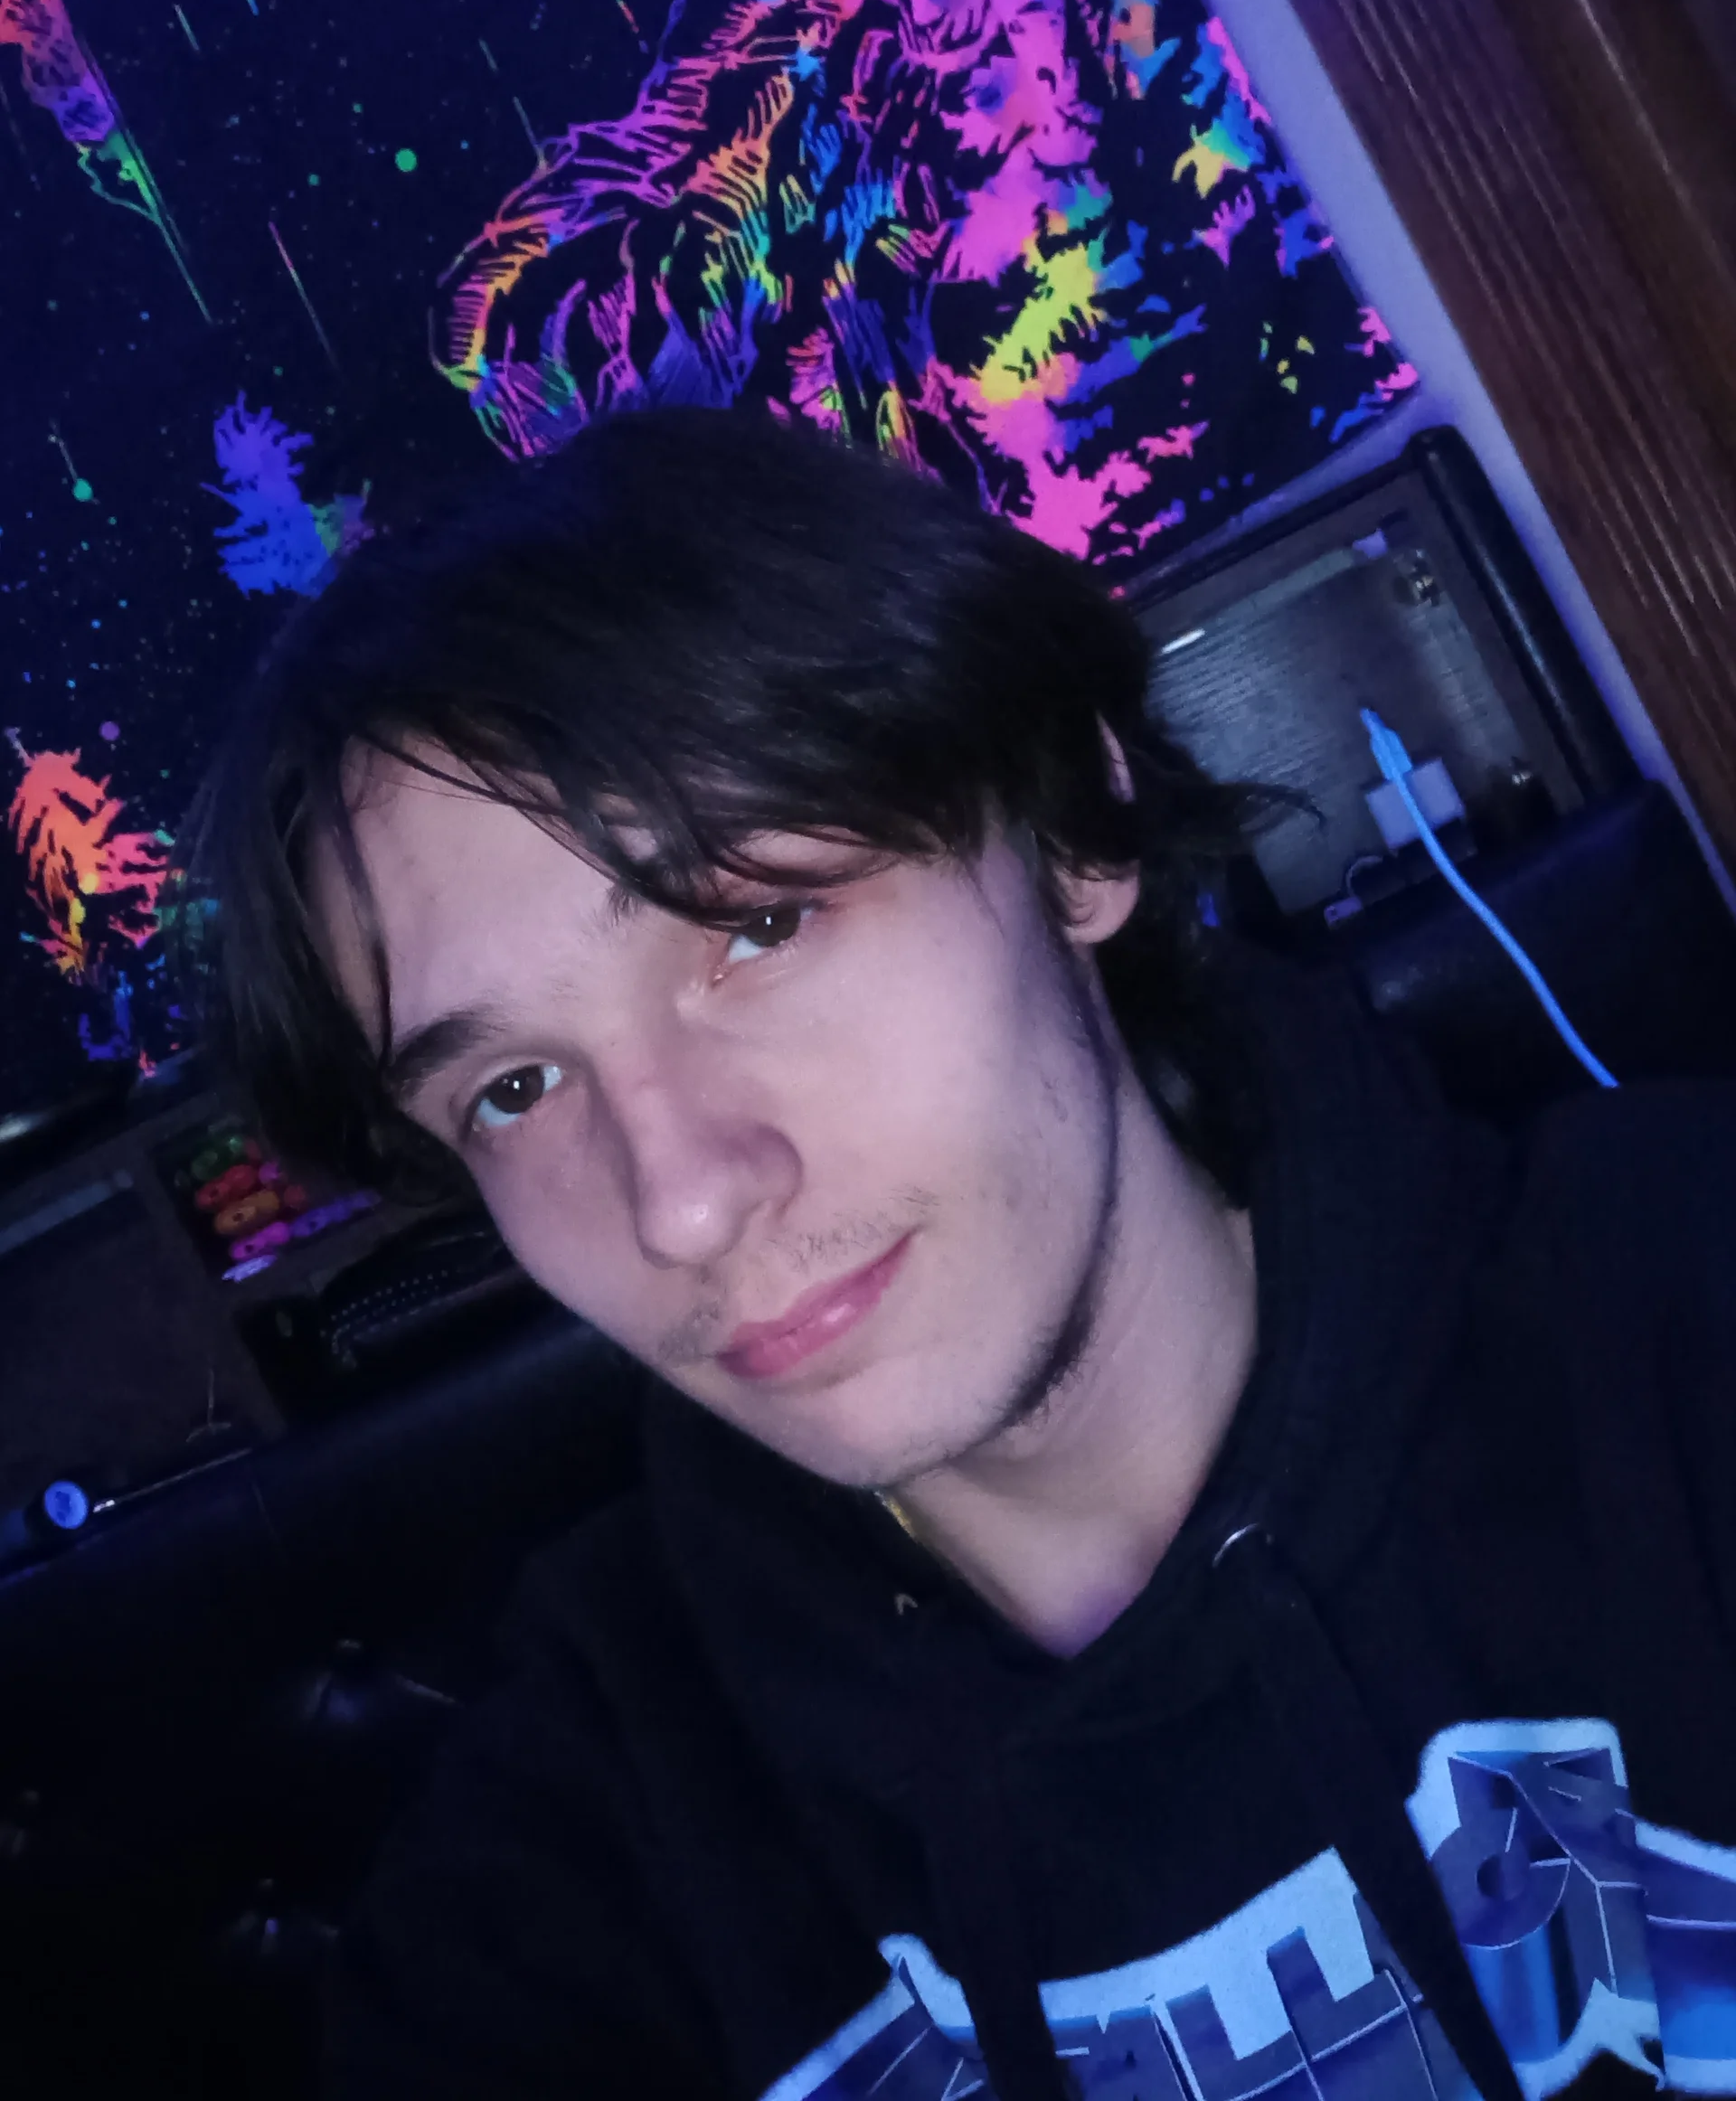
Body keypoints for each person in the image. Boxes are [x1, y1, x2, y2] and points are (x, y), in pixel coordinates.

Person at [181, 405, 1736, 2101]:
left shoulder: (1681, 1304)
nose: (680, 1203)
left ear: (1071, 831)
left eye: (759, 924)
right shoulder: (578, 1863)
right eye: (515, 1089)